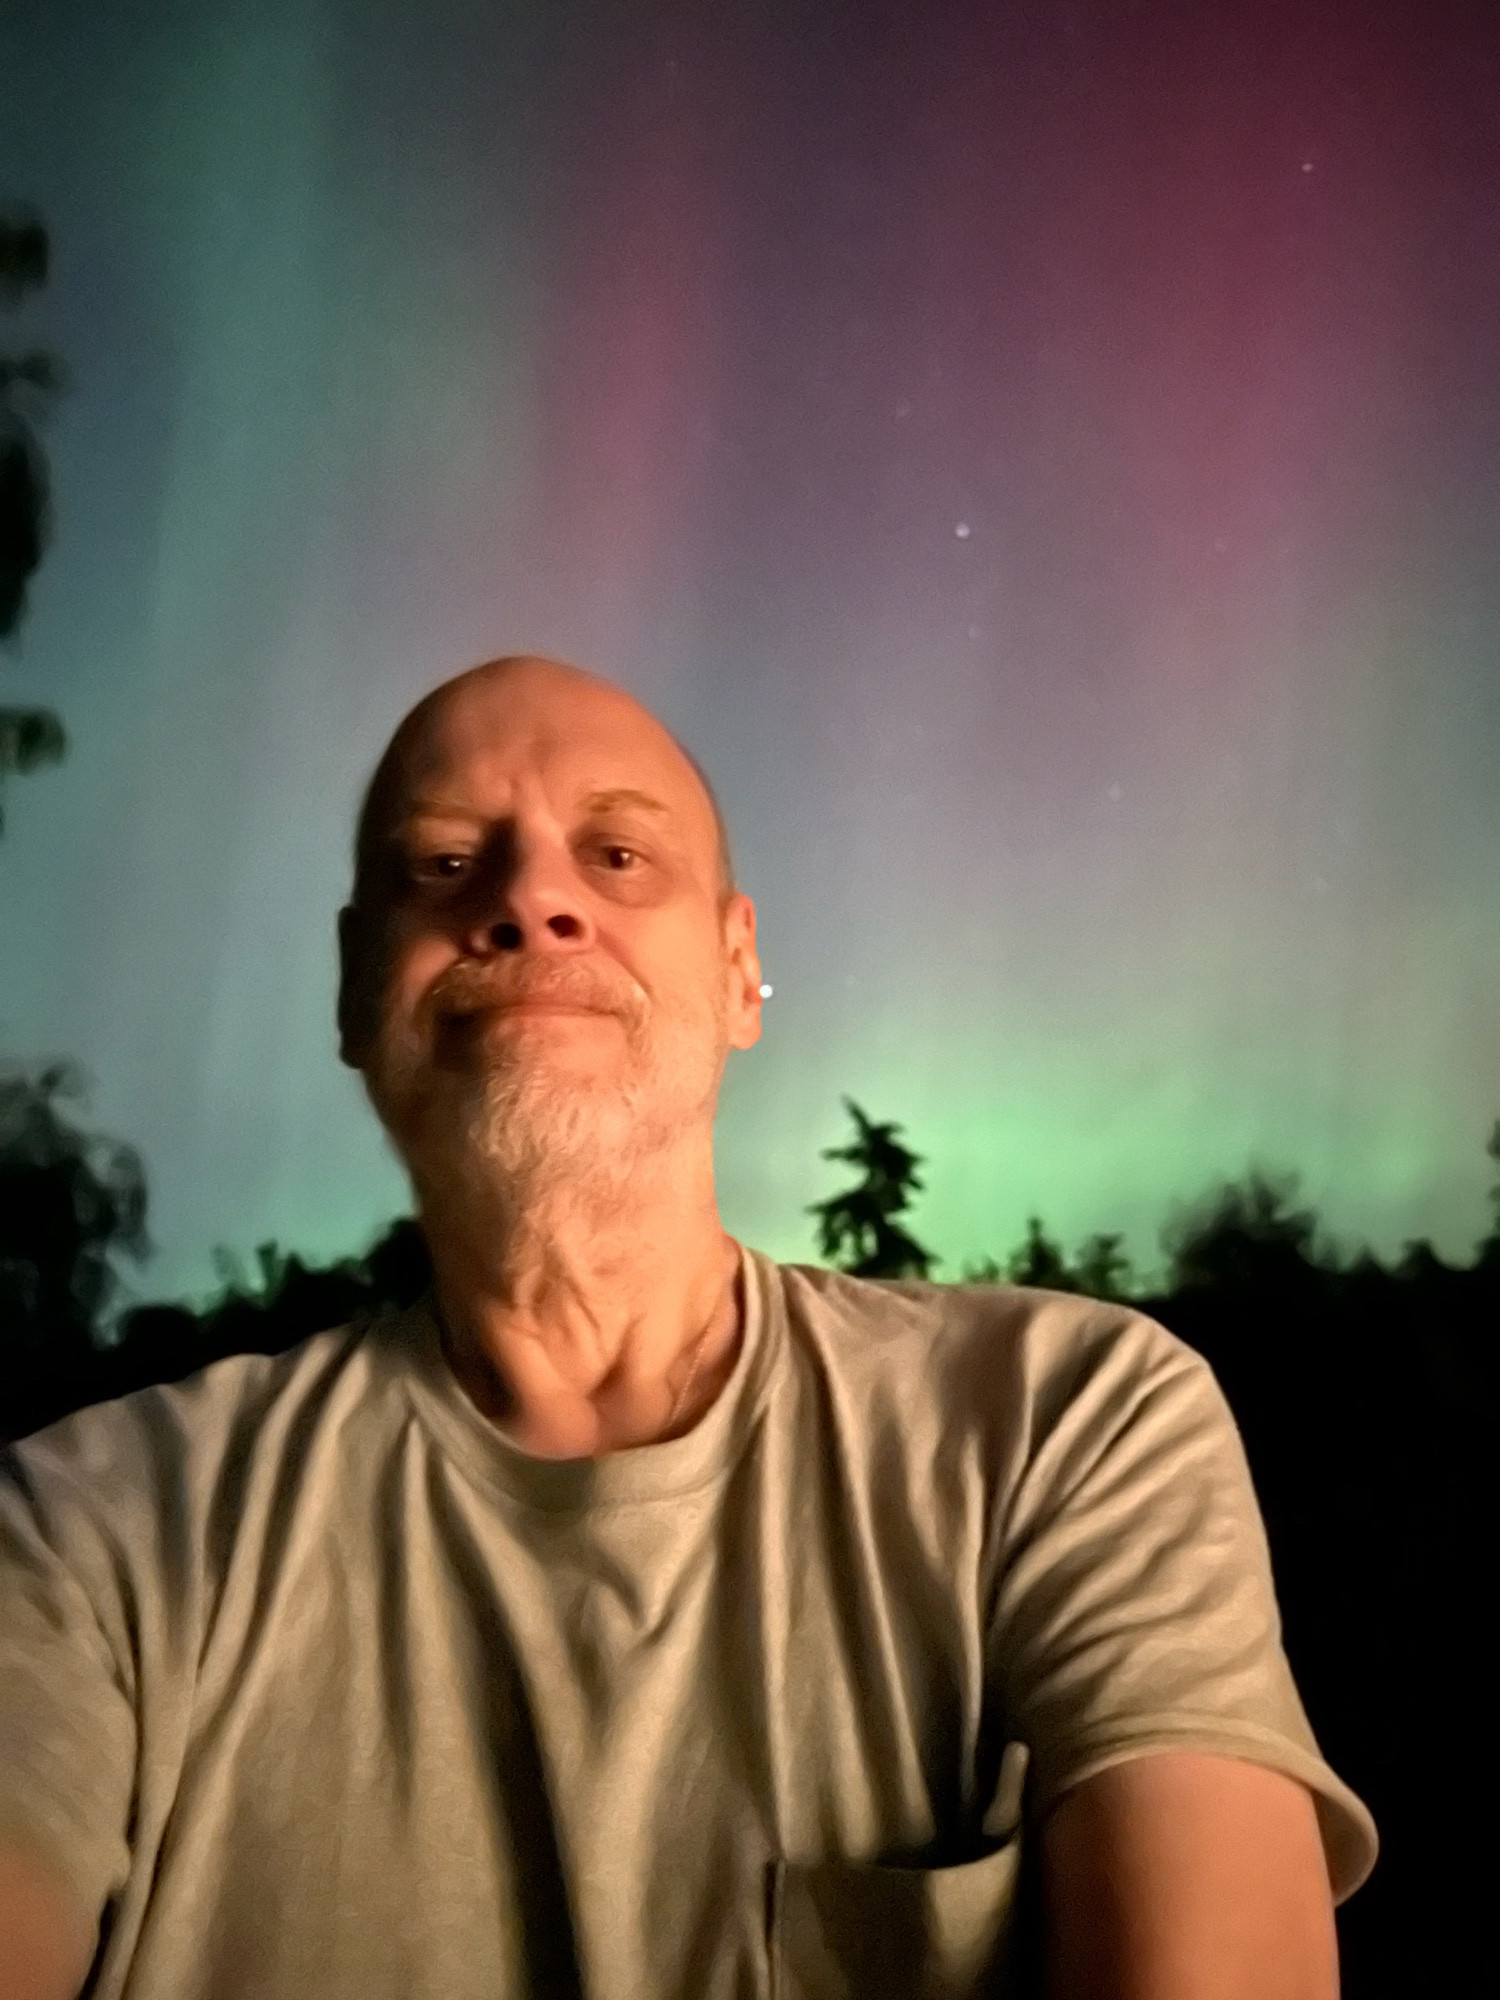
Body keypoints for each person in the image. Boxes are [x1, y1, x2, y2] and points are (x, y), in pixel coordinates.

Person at [0, 654, 1375, 2000]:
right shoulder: (88, 1533)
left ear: (738, 971)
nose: (530, 897)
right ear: (360, 992)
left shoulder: (1066, 1421)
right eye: (438, 865)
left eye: (615, 857)